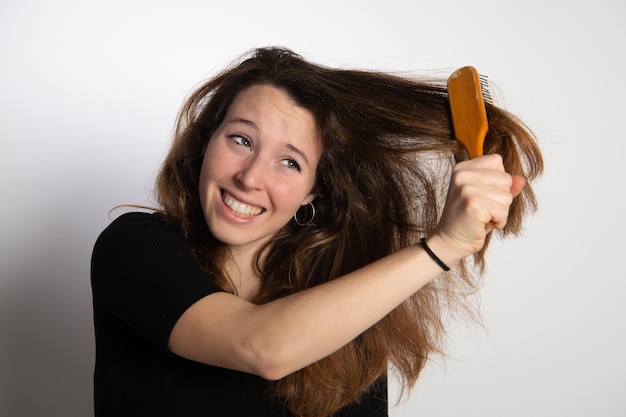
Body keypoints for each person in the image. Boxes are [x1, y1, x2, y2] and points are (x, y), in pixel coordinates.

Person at [90, 47, 543, 417]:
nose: (250, 178)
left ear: (313, 192)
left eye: (290, 162)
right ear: (205, 143)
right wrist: (443, 245)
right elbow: (262, 346)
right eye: (241, 140)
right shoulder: (134, 247)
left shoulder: (344, 309)